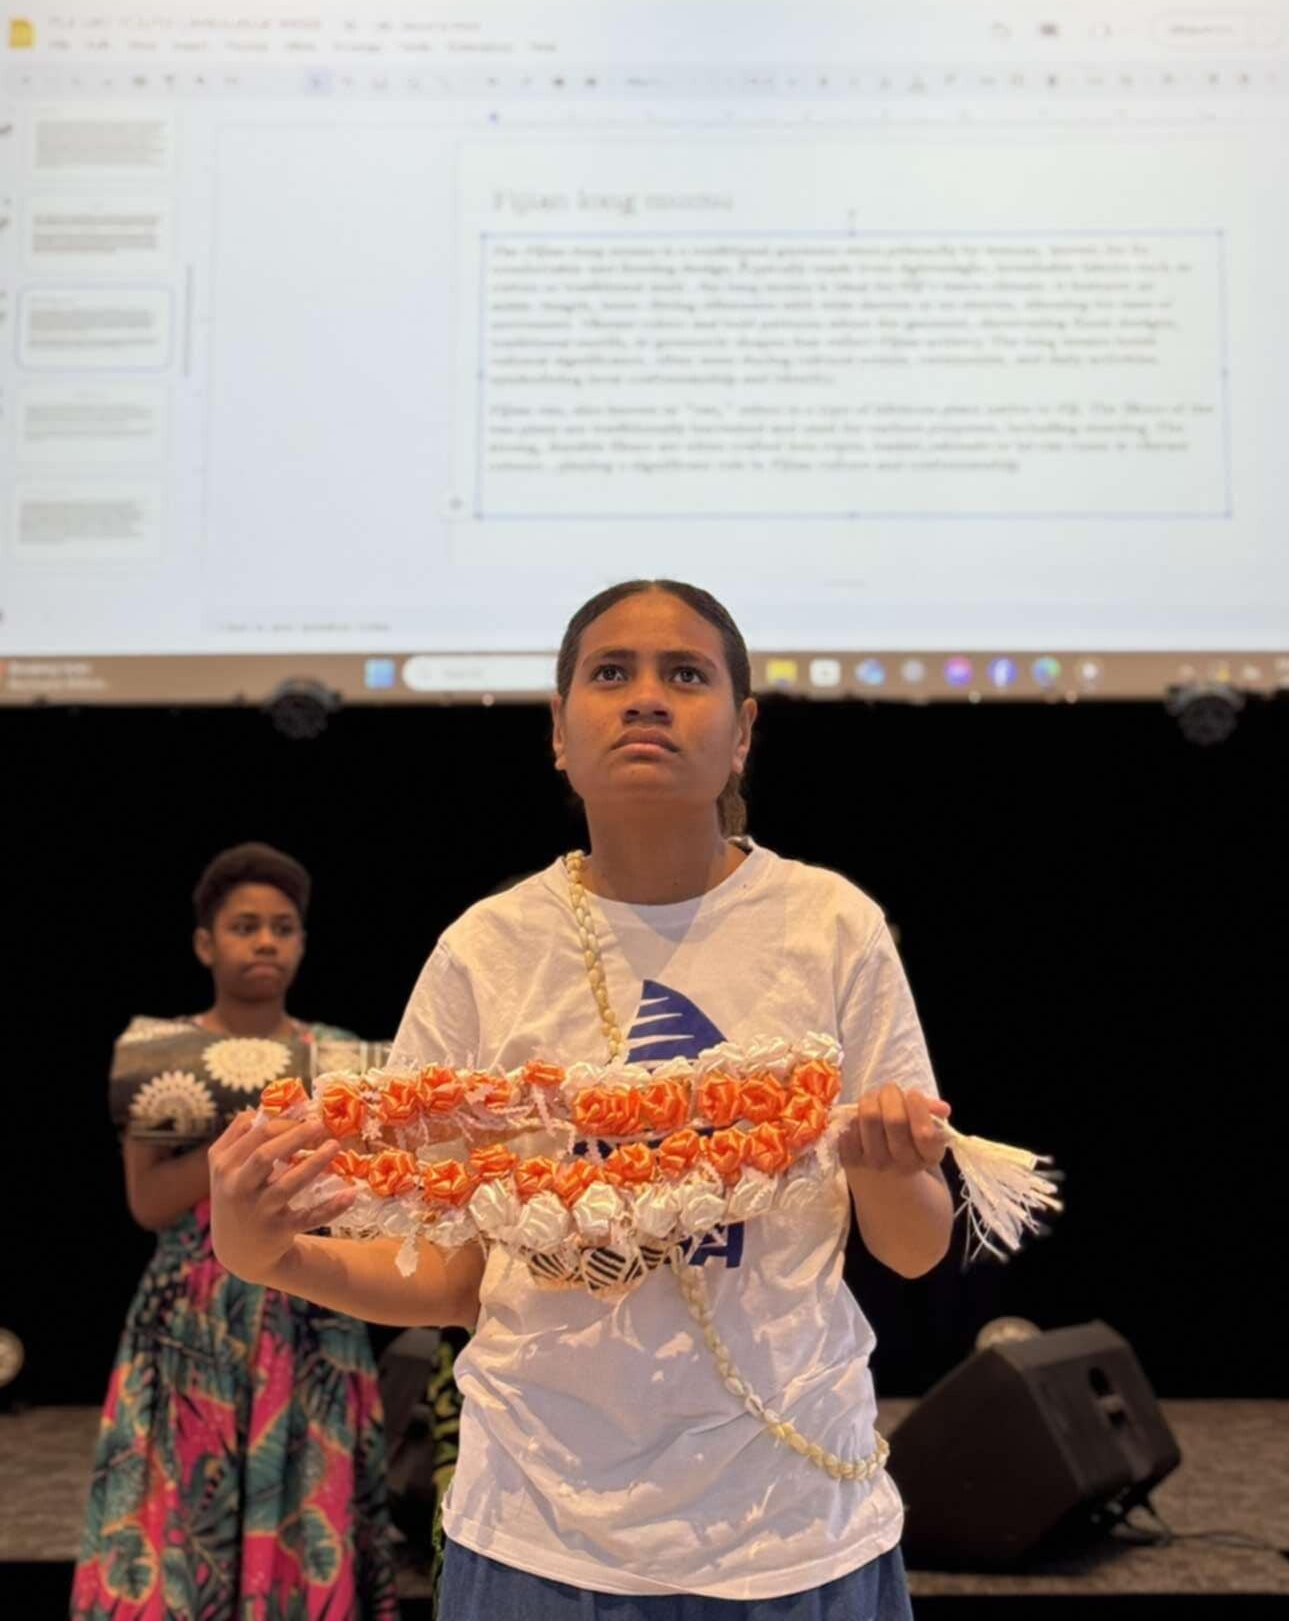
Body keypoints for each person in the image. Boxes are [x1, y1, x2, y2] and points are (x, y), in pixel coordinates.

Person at [209, 584, 954, 1617]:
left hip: (793, 1530)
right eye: (611, 673)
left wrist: (889, 1169)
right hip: (538, 1532)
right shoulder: (486, 949)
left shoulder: (831, 924)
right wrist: (271, 1255)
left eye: (685, 673)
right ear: (558, 731)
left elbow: (914, 1248)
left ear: (742, 730)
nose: (646, 697)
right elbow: (451, 1271)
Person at [72, 842, 397, 1620]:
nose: (265, 942)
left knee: (301, 1519)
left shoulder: (339, 1058)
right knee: (180, 1521)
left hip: (310, 1308)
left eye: (282, 928)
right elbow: (149, 1203)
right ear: (204, 943)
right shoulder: (159, 1057)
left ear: (303, 943)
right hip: (192, 1322)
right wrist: (247, 1129)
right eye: (244, 926)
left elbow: (362, 1203)